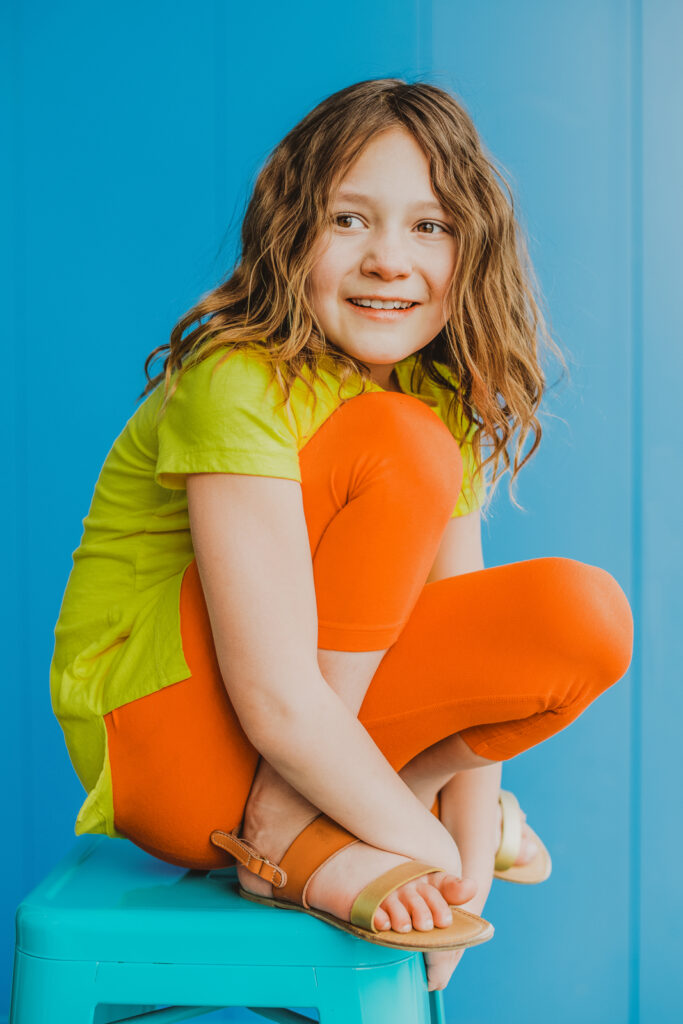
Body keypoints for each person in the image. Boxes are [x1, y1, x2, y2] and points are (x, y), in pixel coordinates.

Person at [50, 78, 634, 992]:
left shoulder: (435, 403)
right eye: (349, 220)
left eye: (429, 227)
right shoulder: (237, 377)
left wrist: (464, 872)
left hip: (302, 735)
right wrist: (425, 844)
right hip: (176, 758)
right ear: (290, 237)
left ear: (470, 251)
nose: (389, 260)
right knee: (396, 446)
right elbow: (277, 694)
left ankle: (362, 800)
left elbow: (460, 637)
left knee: (582, 616)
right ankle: (294, 827)